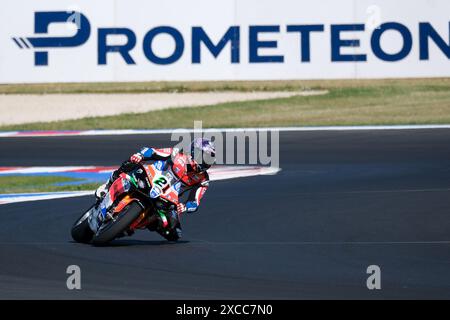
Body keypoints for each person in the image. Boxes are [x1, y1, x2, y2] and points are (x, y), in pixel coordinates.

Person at [95, 138, 216, 241]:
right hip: (151, 176)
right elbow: (152, 151)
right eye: (204, 157)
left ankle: (133, 225)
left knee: (174, 232)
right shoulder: (177, 154)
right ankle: (107, 186)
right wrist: (140, 155)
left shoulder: (203, 180)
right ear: (194, 152)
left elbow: (195, 202)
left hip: (169, 197)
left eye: (208, 160)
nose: (205, 163)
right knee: (130, 164)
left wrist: (184, 207)